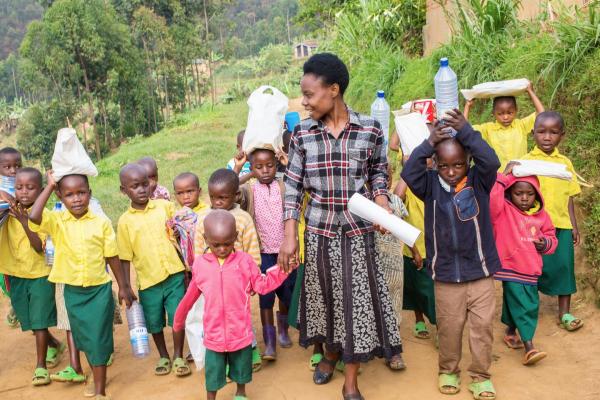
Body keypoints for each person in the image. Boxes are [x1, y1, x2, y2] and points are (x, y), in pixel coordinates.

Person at [278, 53, 403, 400]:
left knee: (354, 301)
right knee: (325, 299)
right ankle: (330, 353)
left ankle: (351, 379)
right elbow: (293, 187)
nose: (304, 101)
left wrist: (380, 199)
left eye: (309, 94)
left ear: (333, 90)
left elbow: (379, 171)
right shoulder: (302, 133)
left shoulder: (370, 129)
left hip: (357, 231)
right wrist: (289, 234)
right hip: (318, 231)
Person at [401, 109, 502, 400]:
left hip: (480, 272)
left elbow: (491, 160)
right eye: (443, 165)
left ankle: (481, 376)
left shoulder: (479, 183)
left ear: (468, 163)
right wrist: (429, 141)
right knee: (449, 328)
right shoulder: (429, 186)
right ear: (434, 164)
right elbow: (409, 172)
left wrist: (467, 131)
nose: (451, 170)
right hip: (446, 275)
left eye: (458, 164)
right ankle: (448, 369)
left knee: (482, 328)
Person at [28, 172, 135, 400]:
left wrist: (123, 286)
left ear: (90, 194)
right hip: (73, 292)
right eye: (69, 194)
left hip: (98, 290)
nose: (76, 199)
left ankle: (99, 391)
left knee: (98, 338)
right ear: (60, 196)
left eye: (81, 193)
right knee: (85, 338)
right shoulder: (57, 221)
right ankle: (97, 373)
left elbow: (112, 256)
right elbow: (35, 216)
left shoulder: (101, 223)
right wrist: (48, 186)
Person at [174, 210, 295, 400]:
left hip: (240, 331)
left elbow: (262, 285)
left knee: (242, 368)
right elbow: (189, 297)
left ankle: (240, 392)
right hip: (213, 333)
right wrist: (178, 321)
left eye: (227, 243)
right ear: (206, 239)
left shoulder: (245, 262)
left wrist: (283, 270)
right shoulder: (200, 265)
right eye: (216, 244)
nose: (222, 249)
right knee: (213, 372)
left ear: (235, 237)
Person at [117, 163, 191, 378]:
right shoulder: (124, 222)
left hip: (174, 273)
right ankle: (163, 355)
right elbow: (124, 257)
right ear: (124, 191)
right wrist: (125, 286)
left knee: (178, 315)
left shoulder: (164, 207)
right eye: (134, 186)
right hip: (148, 281)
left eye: (144, 184)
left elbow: (181, 233)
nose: (141, 189)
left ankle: (177, 355)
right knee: (154, 322)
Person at [194, 168, 263, 372]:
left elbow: (252, 249)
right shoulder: (203, 218)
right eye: (213, 197)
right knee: (217, 318)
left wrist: (253, 276)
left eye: (223, 198)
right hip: (213, 282)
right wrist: (199, 277)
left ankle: (251, 349)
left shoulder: (243, 219)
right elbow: (198, 250)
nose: (217, 202)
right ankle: (223, 357)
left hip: (238, 281)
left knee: (240, 317)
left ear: (236, 195)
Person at [490, 162, 557, 365]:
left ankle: (511, 331)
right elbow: (492, 202)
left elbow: (552, 238)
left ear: (537, 195)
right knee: (527, 305)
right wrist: (503, 176)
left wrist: (544, 243)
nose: (525, 198)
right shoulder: (503, 211)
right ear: (510, 193)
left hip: (530, 268)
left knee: (516, 300)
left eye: (530, 193)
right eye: (519, 193)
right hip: (510, 267)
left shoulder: (542, 217)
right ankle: (530, 347)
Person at [521, 111, 583, 332]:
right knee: (532, 269)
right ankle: (527, 313)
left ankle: (564, 313)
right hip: (533, 226)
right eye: (541, 132)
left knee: (564, 267)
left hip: (561, 226)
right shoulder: (526, 162)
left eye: (553, 132)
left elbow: (569, 197)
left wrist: (573, 225)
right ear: (533, 134)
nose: (547, 137)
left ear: (562, 136)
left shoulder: (565, 163)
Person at [0, 168, 58, 386]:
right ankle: (55, 345)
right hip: (15, 274)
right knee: (31, 321)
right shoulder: (6, 211)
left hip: (40, 274)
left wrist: (25, 222)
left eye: (30, 188)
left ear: (41, 190)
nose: (24, 192)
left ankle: (40, 366)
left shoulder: (44, 215)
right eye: (19, 187)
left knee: (40, 320)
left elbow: (39, 248)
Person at [238, 148, 296, 361]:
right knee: (265, 298)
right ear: (252, 168)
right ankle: (269, 342)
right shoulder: (250, 190)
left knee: (287, 294)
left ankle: (283, 330)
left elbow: (300, 185)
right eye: (259, 167)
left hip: (285, 252)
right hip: (263, 255)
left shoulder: (282, 186)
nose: (265, 171)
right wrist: (243, 169)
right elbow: (230, 187)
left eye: (270, 165)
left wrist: (287, 163)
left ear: (276, 165)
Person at [395, 169, 437, 342]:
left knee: (433, 294)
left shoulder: (436, 187)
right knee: (414, 290)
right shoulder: (408, 192)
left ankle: (441, 327)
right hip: (412, 250)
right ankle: (419, 320)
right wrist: (408, 170)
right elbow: (397, 199)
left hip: (435, 252)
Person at [463, 81, 545, 171]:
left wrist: (530, 92)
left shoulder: (521, 125)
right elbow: (465, 129)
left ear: (516, 110)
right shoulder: (488, 129)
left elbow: (541, 114)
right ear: (493, 113)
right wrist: (467, 106)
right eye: (500, 114)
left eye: (510, 113)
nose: (505, 117)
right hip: (499, 177)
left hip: (520, 174)